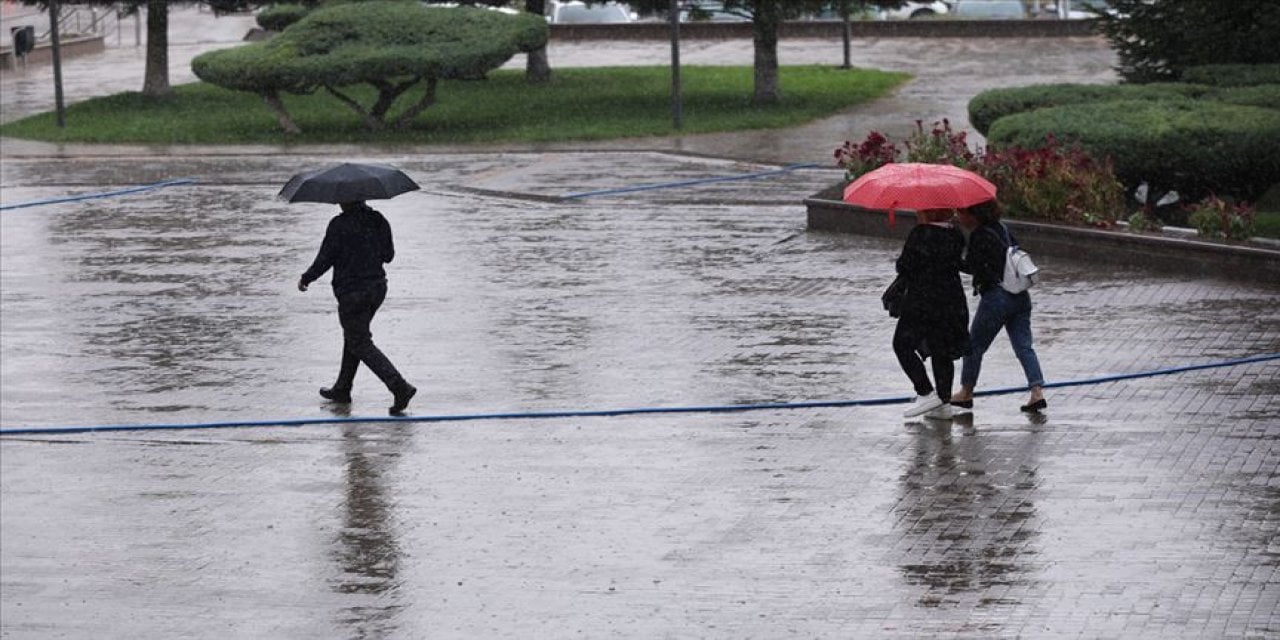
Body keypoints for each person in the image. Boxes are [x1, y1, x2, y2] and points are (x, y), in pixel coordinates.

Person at [298, 200, 417, 416]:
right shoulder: (378, 220)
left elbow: (325, 258)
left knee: (359, 341)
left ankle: (399, 386)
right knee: (354, 336)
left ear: (345, 201)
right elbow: (388, 256)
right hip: (376, 289)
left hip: (352, 293)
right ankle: (343, 388)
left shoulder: (339, 225)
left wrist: (307, 278)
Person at [951, 200, 1047, 413]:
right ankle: (1037, 391)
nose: (959, 216)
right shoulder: (1003, 230)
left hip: (996, 298)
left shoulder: (979, 235)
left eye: (961, 212)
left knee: (974, 346)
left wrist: (953, 261)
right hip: (1021, 297)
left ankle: (966, 392)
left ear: (974, 214)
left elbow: (974, 267)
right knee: (1024, 346)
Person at [893, 208, 971, 420]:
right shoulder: (956, 233)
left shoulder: (921, 233)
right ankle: (943, 401)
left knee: (902, 344)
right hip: (952, 300)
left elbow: (904, 266)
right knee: (942, 349)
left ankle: (925, 391)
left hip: (923, 300)